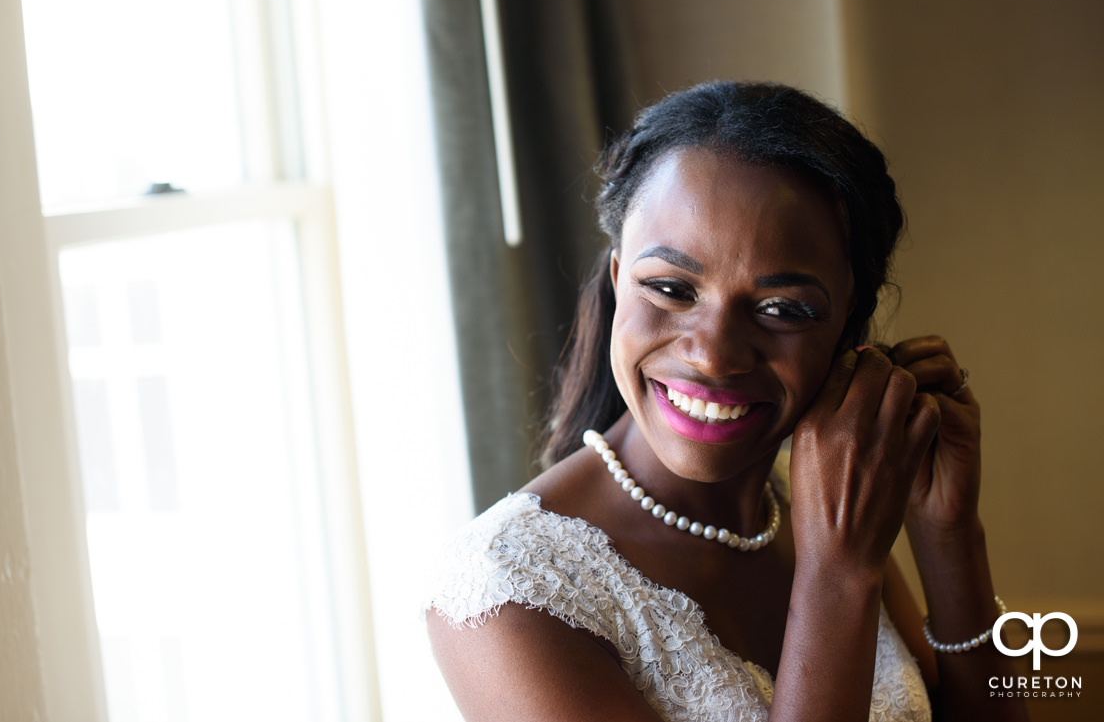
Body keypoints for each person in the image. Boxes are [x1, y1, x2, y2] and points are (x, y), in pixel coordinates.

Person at [425, 82, 1027, 721]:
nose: (713, 354)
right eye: (669, 288)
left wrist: (947, 534)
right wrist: (834, 580)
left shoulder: (818, 508)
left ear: (848, 331)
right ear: (616, 279)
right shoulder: (508, 592)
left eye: (781, 309)